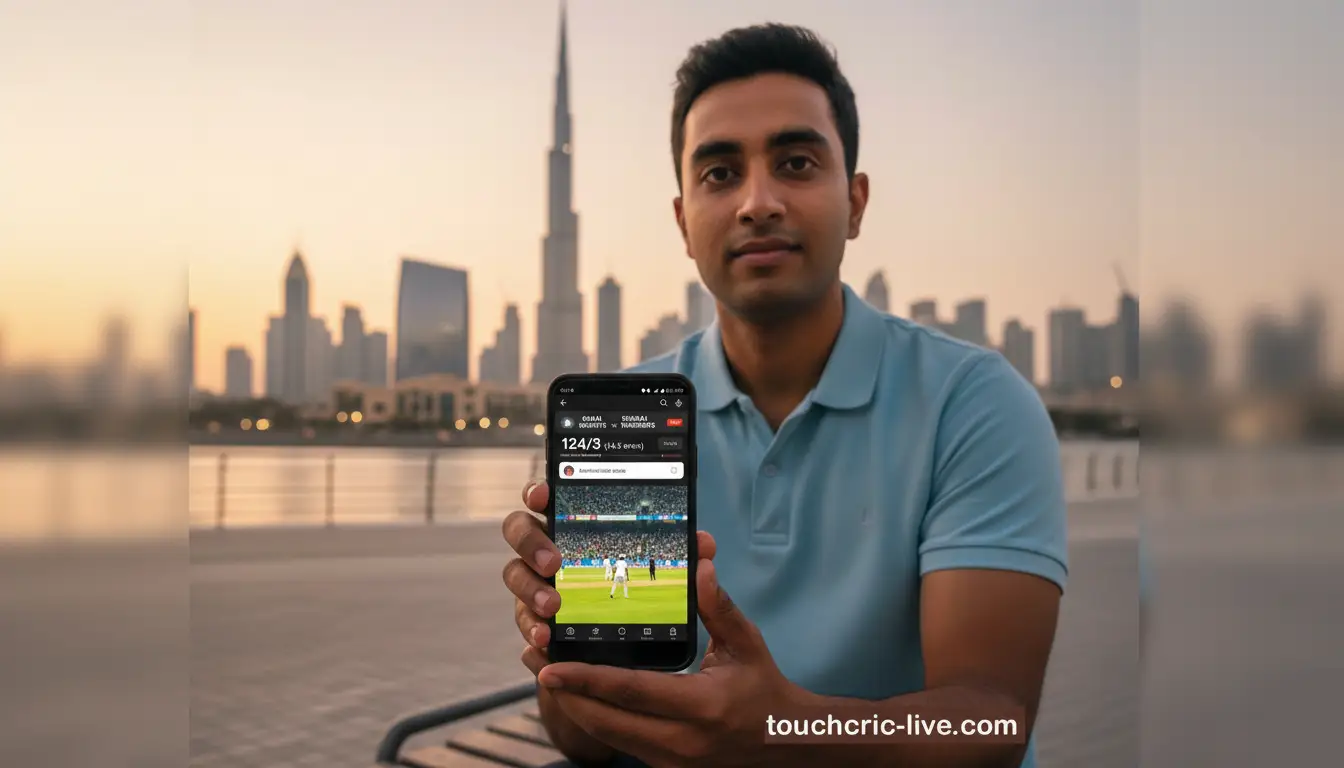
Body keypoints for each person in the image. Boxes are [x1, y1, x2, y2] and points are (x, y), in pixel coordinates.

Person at [501, 22, 1066, 768]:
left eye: (796, 163)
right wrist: (562, 663)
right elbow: (583, 738)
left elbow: (990, 725)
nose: (756, 202)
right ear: (682, 222)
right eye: (719, 174)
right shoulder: (630, 419)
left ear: (856, 202)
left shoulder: (973, 403)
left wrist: (788, 730)